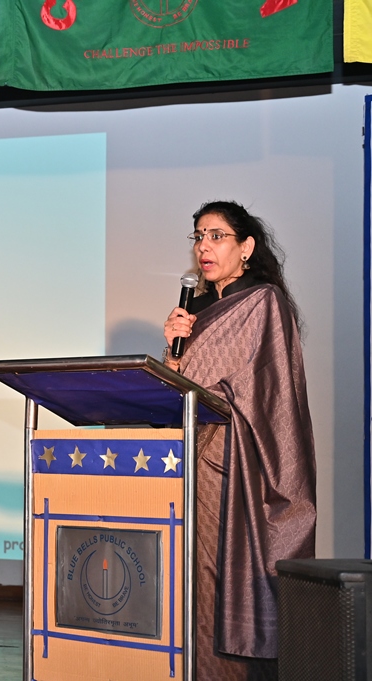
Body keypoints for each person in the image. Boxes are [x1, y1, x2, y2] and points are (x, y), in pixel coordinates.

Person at [161, 201, 316, 681]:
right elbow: (180, 387)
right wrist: (172, 355)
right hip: (191, 456)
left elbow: (266, 391)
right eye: (198, 236)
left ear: (246, 247)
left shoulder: (263, 302)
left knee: (219, 575)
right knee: (192, 580)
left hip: (234, 462)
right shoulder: (193, 312)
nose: (204, 247)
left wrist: (201, 385)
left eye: (216, 236)